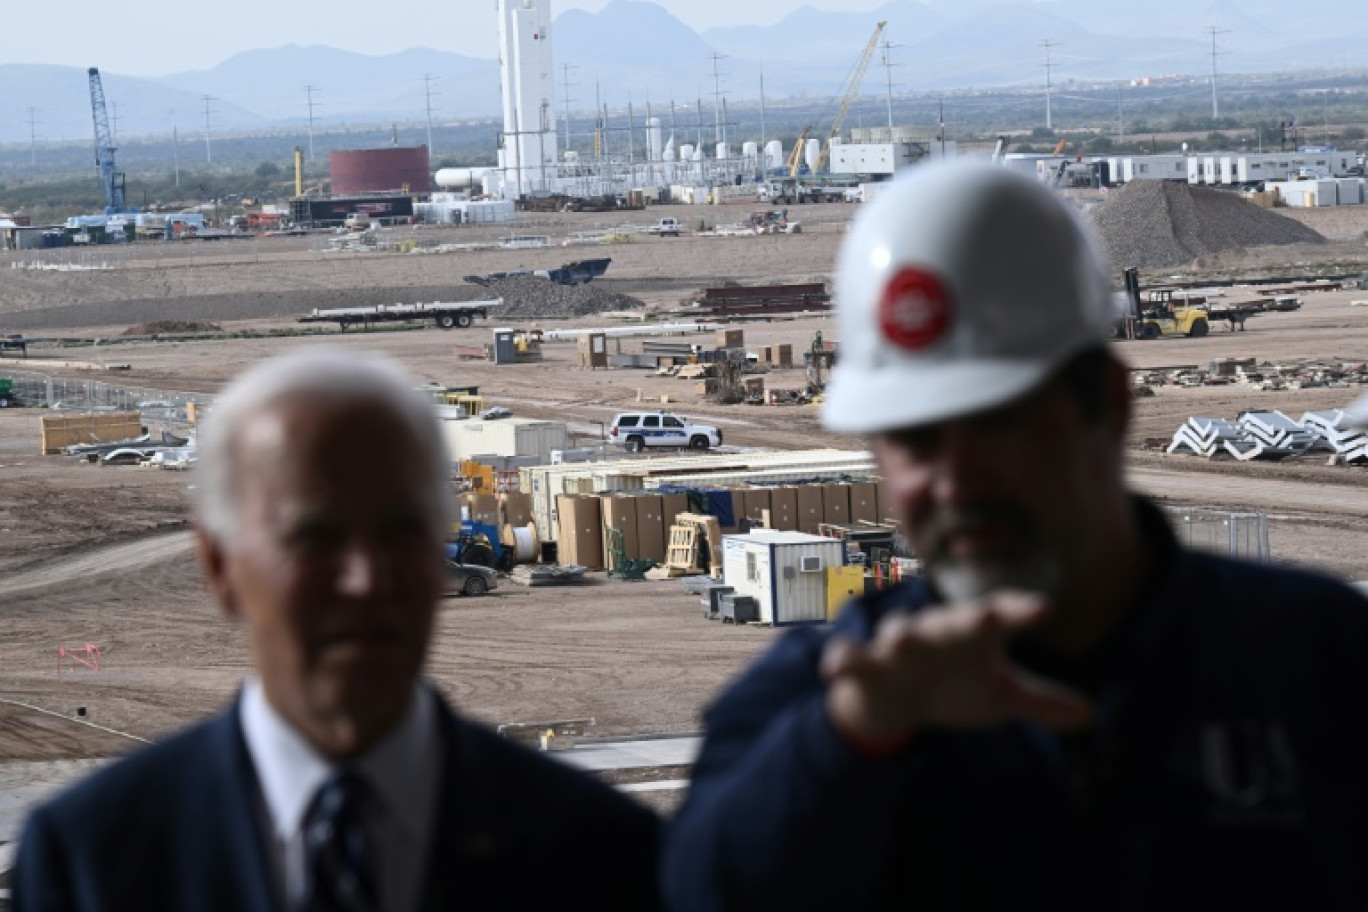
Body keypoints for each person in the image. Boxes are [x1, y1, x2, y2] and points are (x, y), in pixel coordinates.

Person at [664, 163, 1368, 910]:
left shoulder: (1315, 662)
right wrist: (853, 741)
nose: (955, 483)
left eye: (997, 423)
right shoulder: (825, 697)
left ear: (1107, 404)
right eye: (914, 439)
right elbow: (702, 890)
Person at [14, 348, 661, 911]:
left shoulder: (600, 854)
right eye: (314, 539)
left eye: (400, 533)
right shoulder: (91, 863)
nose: (364, 580)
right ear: (219, 564)